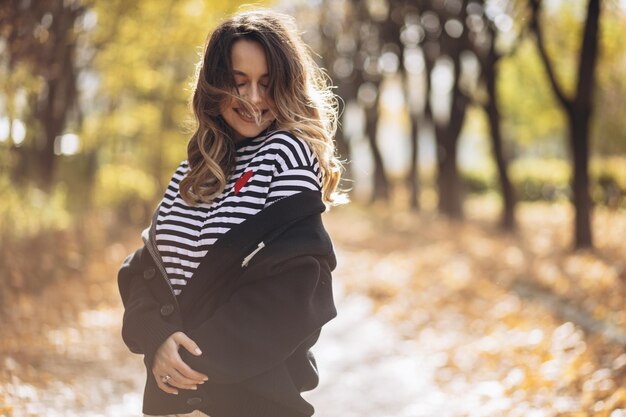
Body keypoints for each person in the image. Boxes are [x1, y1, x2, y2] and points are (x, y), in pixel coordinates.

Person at [117, 8, 347, 417]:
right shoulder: (194, 170)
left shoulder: (287, 153)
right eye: (239, 84)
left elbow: (298, 287)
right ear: (214, 87)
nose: (254, 100)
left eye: (266, 84)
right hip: (174, 399)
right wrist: (156, 339)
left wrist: (191, 360)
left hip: (251, 402)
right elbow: (143, 270)